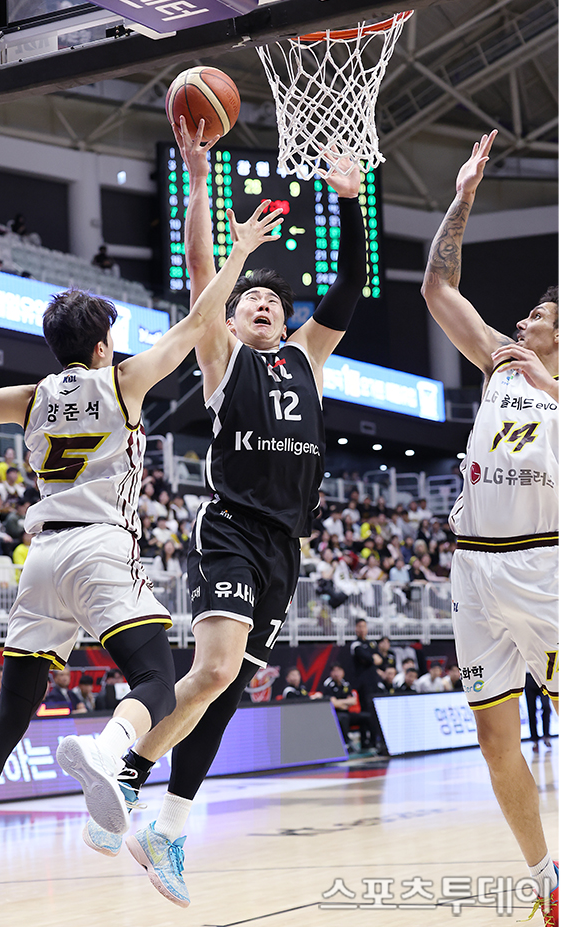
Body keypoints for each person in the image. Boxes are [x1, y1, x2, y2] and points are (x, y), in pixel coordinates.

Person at [0, 196, 282, 923]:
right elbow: (200, 322)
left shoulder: (28, 398)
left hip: (40, 559)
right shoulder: (123, 381)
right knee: (156, 678)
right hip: (99, 547)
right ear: (101, 345)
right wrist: (239, 251)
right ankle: (108, 750)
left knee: (9, 714)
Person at [89, 119, 367, 906]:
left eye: (273, 301)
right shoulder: (223, 354)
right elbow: (200, 265)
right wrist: (199, 178)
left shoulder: (308, 357)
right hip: (232, 528)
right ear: (234, 319)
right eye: (250, 301)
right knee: (211, 670)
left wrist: (350, 201)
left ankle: (167, 826)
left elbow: (349, 286)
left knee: (224, 688)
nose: (263, 304)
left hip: (286, 547)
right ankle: (123, 776)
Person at [421, 129, 558, 923]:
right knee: (495, 741)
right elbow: (438, 287)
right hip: (474, 570)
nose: (523, 320)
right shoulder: (500, 359)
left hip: (545, 566)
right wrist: (463, 196)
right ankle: (547, 880)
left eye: (538, 314)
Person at [525, 672, 552, 753]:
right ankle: (535, 740)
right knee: (531, 710)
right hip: (528, 677)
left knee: (546, 707)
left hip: (542, 676)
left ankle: (546, 736)